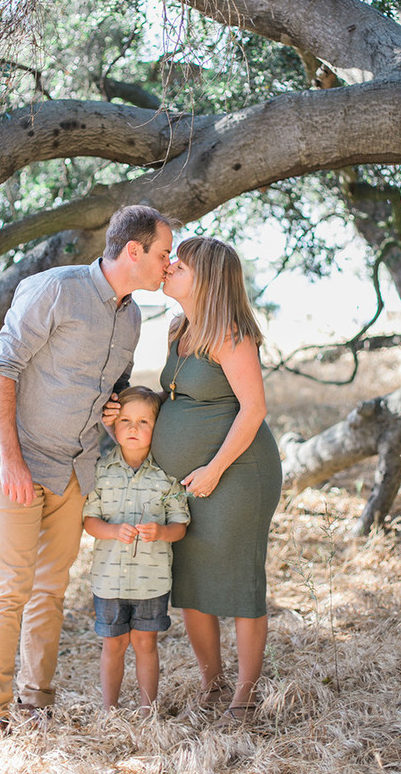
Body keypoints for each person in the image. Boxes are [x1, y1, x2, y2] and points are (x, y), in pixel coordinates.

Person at [0, 205, 175, 731]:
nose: (167, 264)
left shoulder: (132, 317)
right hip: (19, 459)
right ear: (134, 251)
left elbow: (110, 386)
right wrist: (10, 460)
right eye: (163, 253)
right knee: (10, 585)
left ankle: (37, 702)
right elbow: (1, 367)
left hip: (74, 468)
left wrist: (114, 412)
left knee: (50, 590)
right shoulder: (55, 288)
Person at [151, 236, 282, 725]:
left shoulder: (229, 332)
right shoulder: (177, 329)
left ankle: (244, 698)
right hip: (189, 481)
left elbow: (254, 409)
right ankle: (213, 684)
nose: (169, 266)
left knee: (241, 581)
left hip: (238, 473)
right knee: (191, 581)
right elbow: (179, 396)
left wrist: (214, 469)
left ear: (206, 278)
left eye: (180, 262)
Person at [83, 386, 190, 715]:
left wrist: (161, 532)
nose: (133, 428)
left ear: (158, 428)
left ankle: (147, 709)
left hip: (151, 582)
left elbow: (180, 526)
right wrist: (114, 530)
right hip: (109, 581)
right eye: (126, 420)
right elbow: (89, 521)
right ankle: (109, 710)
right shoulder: (101, 471)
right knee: (113, 644)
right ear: (113, 425)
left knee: (146, 643)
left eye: (144, 421)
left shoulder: (166, 476)